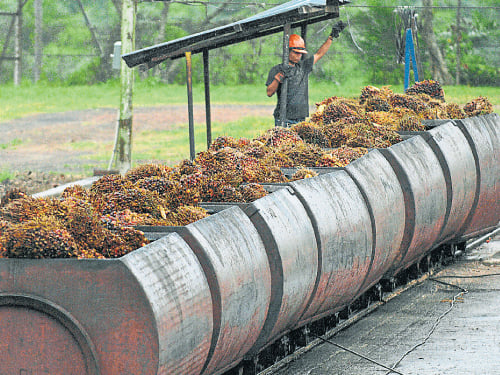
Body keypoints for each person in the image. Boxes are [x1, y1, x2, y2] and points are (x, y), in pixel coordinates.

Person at [266, 21, 347, 128]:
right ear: (287, 51)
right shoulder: (277, 69)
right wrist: (278, 78)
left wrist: (331, 36)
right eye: (296, 52)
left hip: (301, 119)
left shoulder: (303, 67)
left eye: (301, 53)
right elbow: (269, 92)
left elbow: (319, 54)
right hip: (284, 119)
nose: (299, 56)